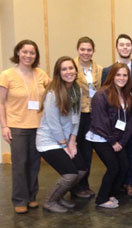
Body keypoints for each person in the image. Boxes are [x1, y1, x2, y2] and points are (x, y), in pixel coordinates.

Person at [0, 40, 50, 214]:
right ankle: (20, 199)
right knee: (20, 164)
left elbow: (52, 92)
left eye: (32, 53)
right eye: (25, 52)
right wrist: (4, 126)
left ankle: (31, 196)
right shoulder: (6, 75)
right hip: (17, 126)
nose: (28, 55)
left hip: (38, 126)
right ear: (18, 53)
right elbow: (1, 103)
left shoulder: (40, 74)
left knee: (34, 164)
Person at [36, 56, 87, 213]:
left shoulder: (76, 89)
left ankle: (59, 197)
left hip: (66, 140)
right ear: (58, 73)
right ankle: (50, 201)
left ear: (75, 70)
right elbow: (53, 123)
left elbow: (76, 118)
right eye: (64, 69)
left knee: (82, 169)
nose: (68, 72)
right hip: (49, 141)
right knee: (70, 174)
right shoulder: (53, 93)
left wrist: (72, 142)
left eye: (71, 68)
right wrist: (64, 145)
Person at [86, 63, 132, 208]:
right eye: (118, 75)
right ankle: (101, 199)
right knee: (113, 167)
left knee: (124, 166)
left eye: (125, 75)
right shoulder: (101, 94)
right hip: (101, 137)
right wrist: (113, 142)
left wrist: (122, 141)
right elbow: (100, 122)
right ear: (112, 76)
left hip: (117, 139)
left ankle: (111, 193)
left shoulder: (127, 95)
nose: (121, 78)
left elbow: (129, 121)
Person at [101, 35, 132, 196]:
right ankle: (116, 183)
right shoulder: (107, 71)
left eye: (128, 45)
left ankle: (129, 183)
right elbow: (104, 95)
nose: (125, 48)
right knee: (115, 154)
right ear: (116, 47)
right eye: (121, 45)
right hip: (113, 121)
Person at [73, 36, 103, 198]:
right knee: (76, 151)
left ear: (93, 51)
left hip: (93, 114)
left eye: (89, 50)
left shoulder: (99, 69)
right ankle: (75, 186)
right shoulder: (71, 67)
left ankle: (85, 184)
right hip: (77, 114)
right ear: (78, 50)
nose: (86, 52)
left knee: (87, 151)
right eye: (83, 49)